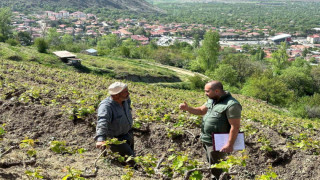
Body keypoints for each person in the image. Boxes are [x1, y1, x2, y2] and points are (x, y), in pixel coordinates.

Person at [179, 80, 242, 180]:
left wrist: (229, 145)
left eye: (207, 91)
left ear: (216, 91)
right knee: (213, 166)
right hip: (207, 139)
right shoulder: (212, 100)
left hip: (218, 143)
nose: (205, 94)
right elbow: (200, 110)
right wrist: (188, 108)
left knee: (217, 168)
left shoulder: (232, 105)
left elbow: (235, 126)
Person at [95, 82, 135, 158]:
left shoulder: (125, 100)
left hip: (128, 134)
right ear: (116, 95)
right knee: (131, 159)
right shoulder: (106, 106)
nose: (128, 93)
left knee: (130, 156)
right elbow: (102, 121)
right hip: (116, 140)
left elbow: (128, 107)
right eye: (125, 92)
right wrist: (100, 139)